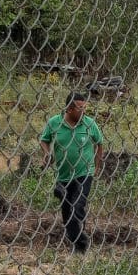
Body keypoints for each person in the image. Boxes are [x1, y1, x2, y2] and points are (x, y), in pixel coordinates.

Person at [40, 91, 104, 253]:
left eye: (85, 107)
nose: (84, 112)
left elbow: (99, 143)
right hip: (64, 174)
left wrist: (97, 166)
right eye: (80, 108)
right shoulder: (54, 122)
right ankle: (77, 238)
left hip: (85, 173)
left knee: (77, 206)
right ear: (69, 109)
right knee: (67, 211)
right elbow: (44, 140)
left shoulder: (89, 123)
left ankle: (80, 245)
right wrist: (47, 154)